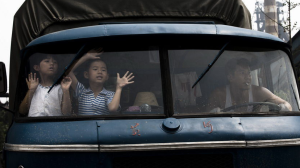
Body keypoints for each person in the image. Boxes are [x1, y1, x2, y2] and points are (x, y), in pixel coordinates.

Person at [207, 58, 292, 112]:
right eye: (242, 73)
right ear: (230, 77)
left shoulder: (259, 92)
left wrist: (283, 108)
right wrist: (214, 112)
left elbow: (286, 104)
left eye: (249, 73)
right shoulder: (219, 95)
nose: (248, 77)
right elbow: (206, 119)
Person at [69, 47, 134, 115]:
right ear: (86, 74)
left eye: (103, 70)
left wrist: (119, 88)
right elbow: (69, 71)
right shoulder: (81, 91)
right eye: (95, 69)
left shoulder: (110, 94)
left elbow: (113, 109)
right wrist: (86, 56)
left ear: (107, 76)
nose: (100, 72)